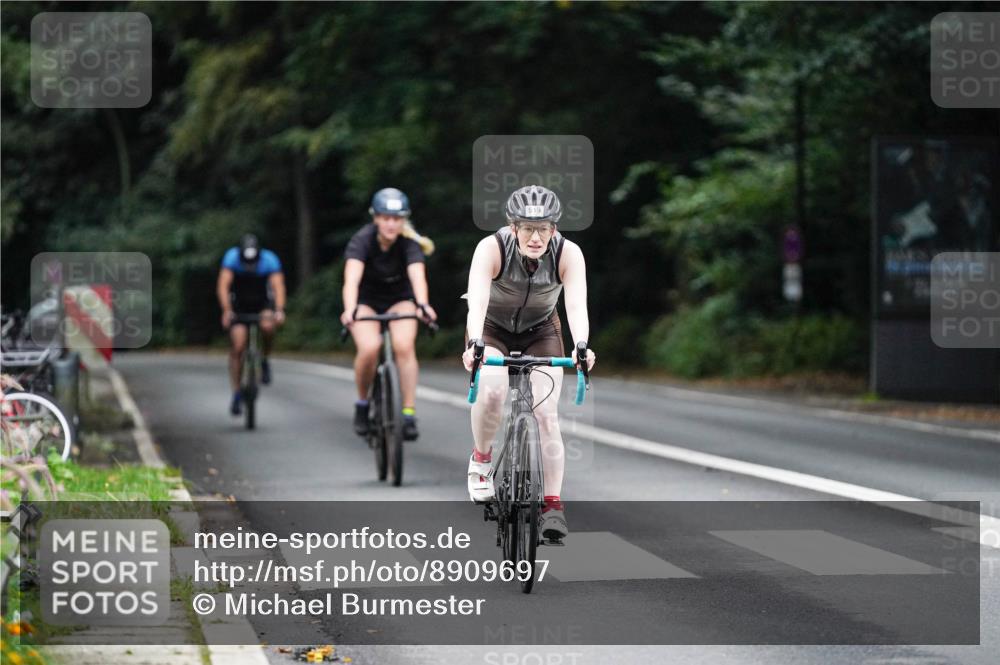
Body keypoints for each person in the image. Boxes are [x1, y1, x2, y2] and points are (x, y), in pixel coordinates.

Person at [461, 185, 595, 541]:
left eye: (544, 229)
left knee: (546, 414)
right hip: (492, 329)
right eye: (527, 228)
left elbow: (576, 305)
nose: (536, 237)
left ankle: (552, 506)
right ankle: (481, 460)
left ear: (554, 228)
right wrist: (475, 343)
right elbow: (477, 301)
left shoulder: (568, 253)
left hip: (541, 330)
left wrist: (581, 346)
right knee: (492, 393)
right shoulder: (491, 248)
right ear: (513, 227)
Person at [341, 188, 437, 441]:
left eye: (397, 218)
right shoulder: (362, 240)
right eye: (386, 218)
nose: (391, 224)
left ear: (404, 220)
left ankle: (408, 413)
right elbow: (351, 279)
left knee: (404, 346)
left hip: (399, 300)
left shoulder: (409, 243)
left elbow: (417, 276)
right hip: (367, 302)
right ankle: (362, 404)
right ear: (376, 218)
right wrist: (350, 309)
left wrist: (423, 305)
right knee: (369, 347)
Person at [217, 234, 286, 415]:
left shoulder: (269, 260)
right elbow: (223, 286)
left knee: (268, 326)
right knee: (238, 347)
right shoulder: (232, 258)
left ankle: (264, 359)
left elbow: (278, 286)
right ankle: (236, 393)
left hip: (262, 303)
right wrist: (226, 310)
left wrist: (279, 310)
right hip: (239, 305)